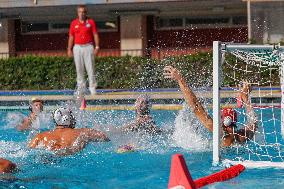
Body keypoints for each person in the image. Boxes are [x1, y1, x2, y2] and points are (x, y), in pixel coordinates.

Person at [163, 66, 258, 147]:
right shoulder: (243, 136)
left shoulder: (219, 132)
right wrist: (245, 98)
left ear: (223, 121)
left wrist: (180, 80)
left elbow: (196, 106)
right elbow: (254, 122)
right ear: (235, 120)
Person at [29, 107, 109, 155]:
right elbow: (105, 137)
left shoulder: (40, 136)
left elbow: (28, 151)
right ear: (67, 119)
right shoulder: (83, 132)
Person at [67, 5, 100, 96]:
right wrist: (69, 49)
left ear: (86, 13)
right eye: (80, 12)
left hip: (88, 47)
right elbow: (71, 36)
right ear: (77, 13)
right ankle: (81, 88)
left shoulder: (91, 22)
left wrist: (97, 47)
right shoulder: (73, 23)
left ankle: (92, 87)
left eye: (83, 12)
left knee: (90, 68)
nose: (82, 13)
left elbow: (95, 34)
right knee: (79, 68)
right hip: (77, 47)